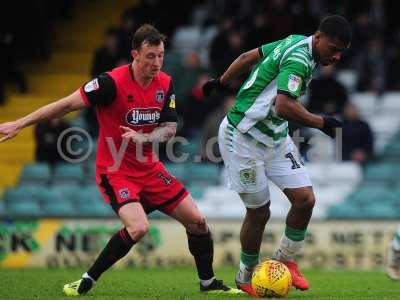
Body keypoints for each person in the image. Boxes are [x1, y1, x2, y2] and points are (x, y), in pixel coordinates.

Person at [0, 24, 240, 296]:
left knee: (198, 222)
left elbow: (170, 129)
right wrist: (20, 123)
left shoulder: (166, 83)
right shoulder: (109, 83)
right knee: (139, 228)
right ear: (135, 55)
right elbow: (66, 105)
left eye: (160, 55)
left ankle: (208, 284)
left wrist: (145, 139)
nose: (157, 62)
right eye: (150, 56)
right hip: (116, 171)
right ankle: (87, 280)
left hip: (150, 169)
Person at [202, 15, 352, 295]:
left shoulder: (294, 41)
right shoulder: (298, 59)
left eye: (340, 52)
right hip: (242, 138)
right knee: (259, 212)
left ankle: (285, 261)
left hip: (274, 138)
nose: (336, 56)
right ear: (317, 37)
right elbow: (284, 106)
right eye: (332, 49)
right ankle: (245, 274)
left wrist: (221, 81)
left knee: (305, 200)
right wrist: (322, 122)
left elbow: (249, 56)